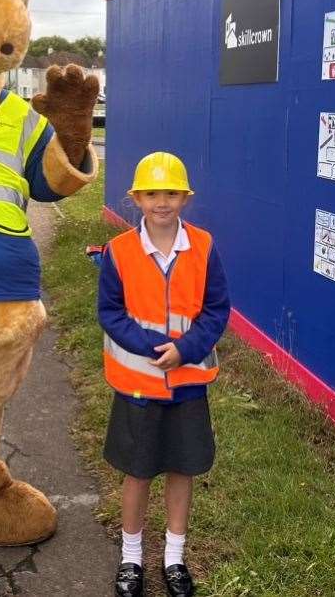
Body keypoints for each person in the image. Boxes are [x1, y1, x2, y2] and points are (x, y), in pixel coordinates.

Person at [96, 152, 230, 597]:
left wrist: (186, 349)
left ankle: (174, 557)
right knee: (137, 472)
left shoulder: (205, 247)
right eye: (152, 193)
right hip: (138, 386)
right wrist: (153, 348)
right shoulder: (119, 252)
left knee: (181, 469)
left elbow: (215, 311)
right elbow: (110, 313)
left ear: (184, 198)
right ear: (136, 198)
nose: (162, 202)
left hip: (188, 386)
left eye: (171, 192)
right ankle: (130, 558)